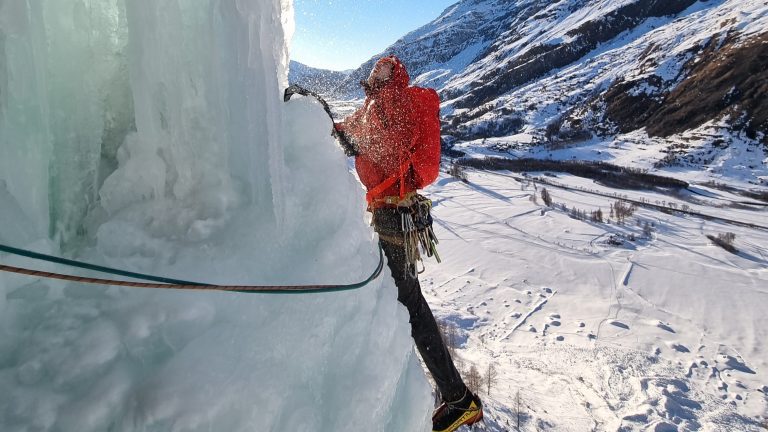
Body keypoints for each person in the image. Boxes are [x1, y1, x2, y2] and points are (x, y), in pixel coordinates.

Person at [335, 55, 483, 432]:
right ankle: (453, 396)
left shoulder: (394, 105)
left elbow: (376, 145)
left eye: (382, 69)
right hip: (394, 214)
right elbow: (352, 135)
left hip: (394, 216)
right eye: (374, 69)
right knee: (405, 299)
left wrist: (348, 135)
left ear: (394, 76)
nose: (375, 73)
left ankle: (459, 399)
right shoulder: (378, 107)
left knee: (409, 304)